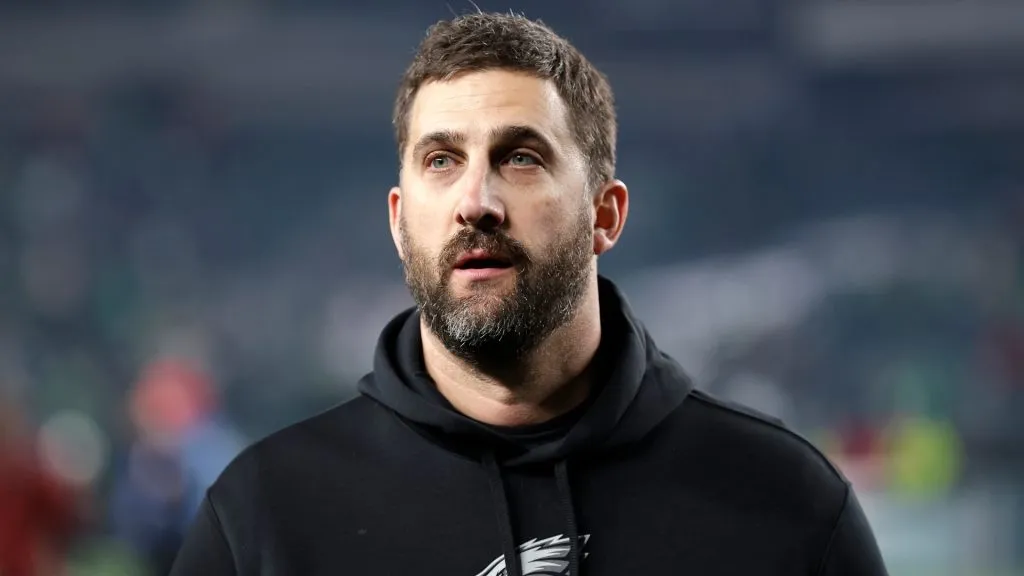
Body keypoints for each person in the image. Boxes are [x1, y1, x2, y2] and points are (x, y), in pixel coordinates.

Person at [171, 12, 888, 576]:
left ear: (604, 215)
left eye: (520, 157)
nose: (475, 200)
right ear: (398, 221)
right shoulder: (265, 515)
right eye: (442, 160)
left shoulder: (787, 505)